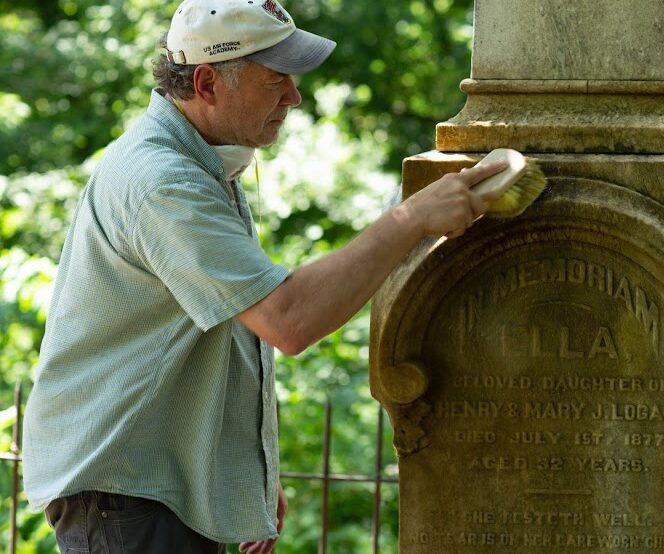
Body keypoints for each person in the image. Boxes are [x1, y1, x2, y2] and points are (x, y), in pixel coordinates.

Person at [21, 1, 506, 553]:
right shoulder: (162, 181)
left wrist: (243, 472)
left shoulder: (200, 160)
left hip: (145, 497)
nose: (294, 98)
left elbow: (225, 330)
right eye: (275, 79)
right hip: (126, 502)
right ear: (206, 83)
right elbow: (288, 318)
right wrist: (412, 218)